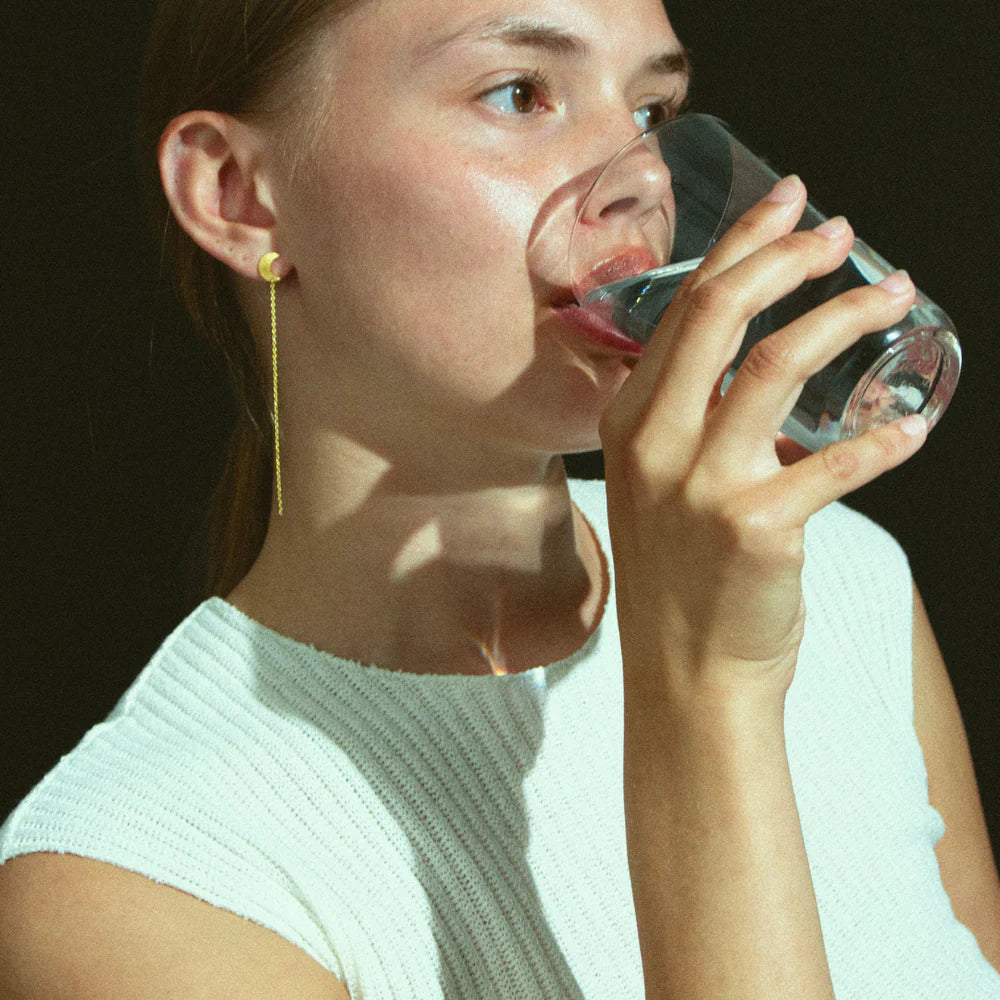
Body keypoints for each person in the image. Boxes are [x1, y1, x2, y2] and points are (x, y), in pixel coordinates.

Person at [1, 0, 998, 996]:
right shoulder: (139, 882)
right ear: (238, 194)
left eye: (651, 109)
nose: (646, 179)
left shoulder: (837, 577)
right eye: (521, 93)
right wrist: (707, 688)